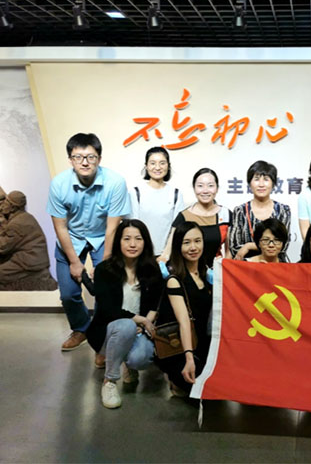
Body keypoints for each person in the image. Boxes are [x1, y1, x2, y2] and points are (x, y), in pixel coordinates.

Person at [47, 133, 131, 352]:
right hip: (70, 238)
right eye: (78, 157)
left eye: (91, 157)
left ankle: (102, 336)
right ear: (70, 160)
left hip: (103, 237)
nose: (85, 162)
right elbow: (60, 227)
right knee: (68, 294)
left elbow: (113, 226)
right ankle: (82, 328)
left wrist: (104, 263)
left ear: (99, 159)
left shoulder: (115, 182)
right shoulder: (59, 184)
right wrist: (75, 262)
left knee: (105, 291)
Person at [85, 219, 163, 409]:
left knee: (141, 358)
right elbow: (107, 308)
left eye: (138, 239)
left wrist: (147, 321)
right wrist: (139, 320)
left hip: (139, 330)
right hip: (108, 331)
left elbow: (156, 302)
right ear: (118, 241)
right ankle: (109, 381)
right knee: (126, 325)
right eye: (127, 239)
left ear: (145, 242)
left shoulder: (152, 269)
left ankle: (128, 364)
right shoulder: (104, 270)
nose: (132, 244)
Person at [154, 221, 213, 397]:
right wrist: (189, 358)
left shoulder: (207, 274)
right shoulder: (174, 279)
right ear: (178, 246)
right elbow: (184, 321)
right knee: (203, 391)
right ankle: (173, 379)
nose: (193, 247)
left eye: (197, 241)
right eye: (186, 243)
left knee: (220, 386)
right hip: (179, 347)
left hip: (203, 342)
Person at [168, 168, 231, 268]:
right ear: (194, 188)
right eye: (200, 186)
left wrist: (224, 269)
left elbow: (230, 252)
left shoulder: (225, 214)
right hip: (188, 271)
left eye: (210, 185)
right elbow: (169, 250)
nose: (205, 191)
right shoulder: (184, 216)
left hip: (216, 270)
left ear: (217, 188)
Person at [229, 160, 291, 262]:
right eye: (256, 179)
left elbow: (283, 245)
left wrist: (249, 246)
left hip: (275, 265)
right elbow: (235, 247)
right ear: (250, 183)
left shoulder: (283, 210)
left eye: (266, 179)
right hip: (247, 265)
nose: (261, 184)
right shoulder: (240, 211)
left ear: (273, 183)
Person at [129, 147, 184, 260]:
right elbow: (133, 227)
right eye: (153, 163)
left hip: (167, 256)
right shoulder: (136, 192)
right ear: (146, 166)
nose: (157, 167)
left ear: (168, 166)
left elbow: (176, 228)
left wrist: (165, 255)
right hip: (140, 255)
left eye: (162, 163)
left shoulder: (175, 193)